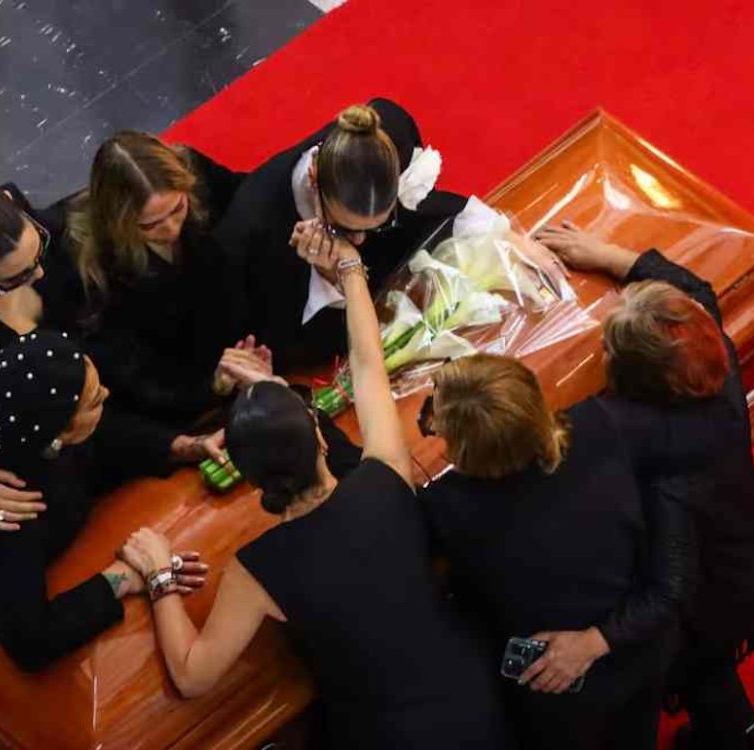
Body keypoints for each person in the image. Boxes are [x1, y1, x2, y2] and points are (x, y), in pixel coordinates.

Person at [119, 237, 510, 749]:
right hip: (475, 706)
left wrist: (160, 574)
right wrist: (348, 267)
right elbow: (367, 364)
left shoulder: (256, 568)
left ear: (249, 479)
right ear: (322, 438)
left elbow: (193, 676)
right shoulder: (385, 476)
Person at [0, 166, 219, 632]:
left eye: (38, 251)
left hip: (67, 450)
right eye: (19, 276)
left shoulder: (20, 231)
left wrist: (172, 442)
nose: (40, 272)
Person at [536, 221, 754, 750]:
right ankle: (741, 737)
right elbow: (696, 292)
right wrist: (603, 254)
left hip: (711, 589)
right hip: (749, 542)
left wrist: (592, 643)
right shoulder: (712, 360)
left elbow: (669, 592)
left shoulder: (655, 459)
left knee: (700, 665)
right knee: (710, 674)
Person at [0, 331, 206, 669]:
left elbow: (102, 441)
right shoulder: (11, 508)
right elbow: (32, 638)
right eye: (95, 400)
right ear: (59, 434)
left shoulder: (32, 416)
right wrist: (121, 577)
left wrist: (179, 446)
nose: (107, 395)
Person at [420, 353, 691, 750]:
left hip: (562, 690)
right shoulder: (601, 422)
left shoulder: (450, 507)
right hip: (642, 647)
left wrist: (592, 643)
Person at [213, 99, 467, 370]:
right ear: (313, 177)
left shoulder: (392, 135)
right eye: (346, 229)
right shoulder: (256, 232)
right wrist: (329, 282)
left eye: (379, 224)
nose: (359, 241)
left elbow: (422, 215)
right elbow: (287, 346)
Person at [66, 131, 270, 455]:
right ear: (118, 224)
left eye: (178, 209)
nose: (171, 228)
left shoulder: (197, 175)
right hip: (179, 391)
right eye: (150, 225)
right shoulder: (97, 269)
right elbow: (135, 378)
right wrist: (211, 386)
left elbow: (250, 208)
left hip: (238, 342)